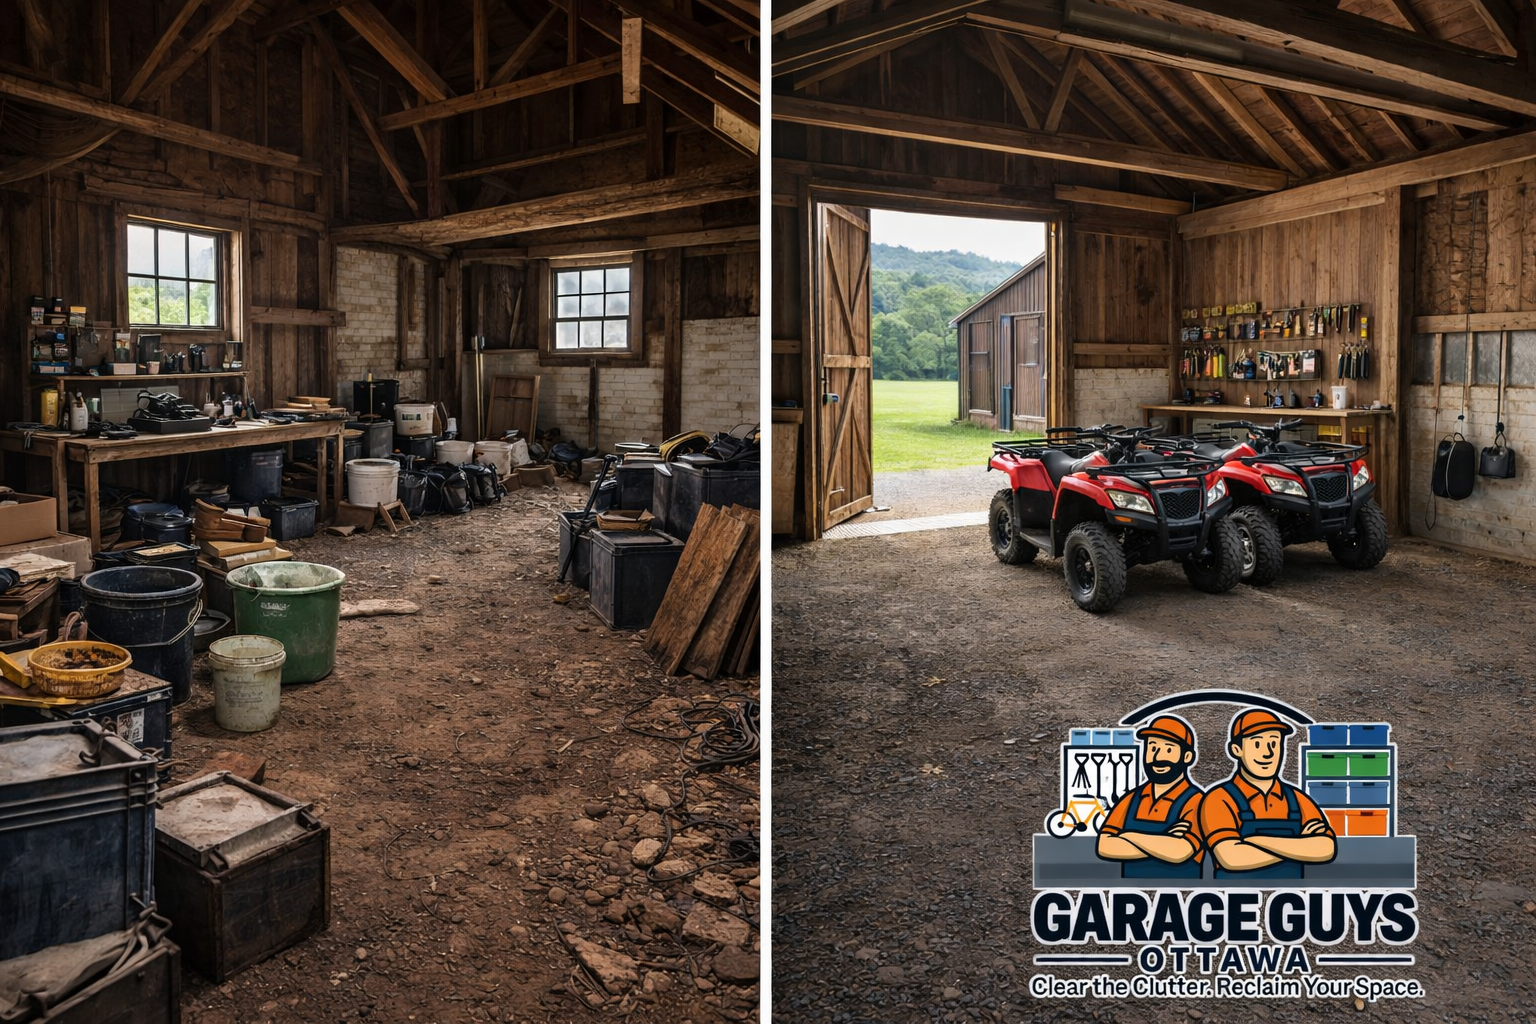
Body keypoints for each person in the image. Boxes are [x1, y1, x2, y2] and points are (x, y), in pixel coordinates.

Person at [1199, 709, 1336, 880]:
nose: (1268, 753)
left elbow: (1326, 849)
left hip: (1290, 903)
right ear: (1236, 749)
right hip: (1234, 904)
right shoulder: (1219, 799)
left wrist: (1255, 840)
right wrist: (1299, 846)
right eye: (1257, 744)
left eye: (1274, 743)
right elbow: (1231, 857)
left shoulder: (1297, 799)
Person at [1096, 715, 1204, 879]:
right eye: (1152, 748)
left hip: (1182, 898)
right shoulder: (1131, 798)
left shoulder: (1197, 801)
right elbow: (1104, 846)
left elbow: (1180, 851)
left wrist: (1128, 835)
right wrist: (1164, 841)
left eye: (1168, 749)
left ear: (1187, 757)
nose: (1158, 757)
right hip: (1131, 898)